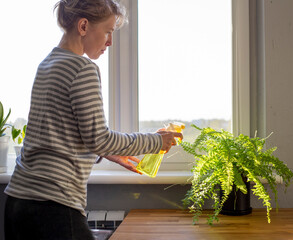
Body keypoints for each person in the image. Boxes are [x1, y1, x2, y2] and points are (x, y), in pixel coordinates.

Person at [3, 0, 182, 239]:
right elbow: (100, 138)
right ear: (84, 26)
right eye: (108, 31)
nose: (110, 41)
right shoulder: (82, 68)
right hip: (54, 206)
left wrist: (108, 154)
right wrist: (156, 142)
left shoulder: (47, 64)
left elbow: (57, 133)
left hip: (18, 203)